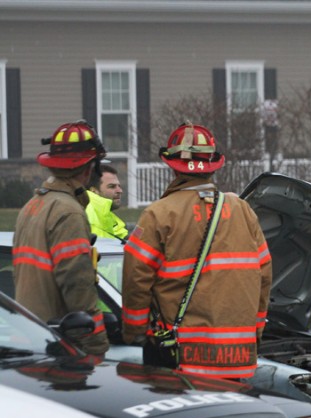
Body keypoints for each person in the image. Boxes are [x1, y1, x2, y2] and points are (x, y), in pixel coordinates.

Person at [122, 123, 272, 380]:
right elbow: (264, 275)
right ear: (214, 164)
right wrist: (255, 331)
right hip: (237, 357)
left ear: (171, 164)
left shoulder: (158, 214)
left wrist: (134, 332)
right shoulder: (242, 210)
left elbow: (136, 279)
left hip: (177, 357)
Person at [12, 120, 109, 355]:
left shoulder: (33, 205)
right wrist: (96, 343)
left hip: (29, 336)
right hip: (61, 343)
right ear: (89, 167)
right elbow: (76, 283)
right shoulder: (68, 212)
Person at [85, 163, 128, 240]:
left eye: (119, 186)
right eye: (112, 186)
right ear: (94, 190)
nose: (120, 191)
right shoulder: (86, 213)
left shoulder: (108, 216)